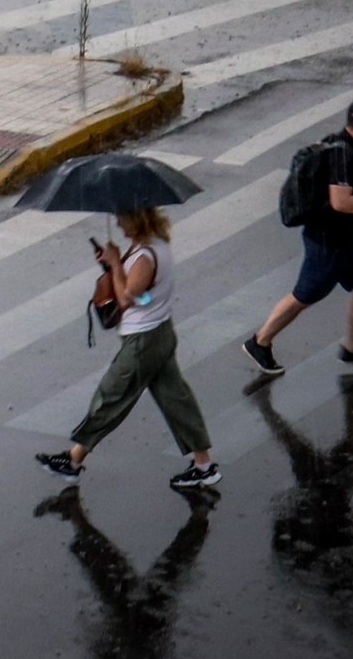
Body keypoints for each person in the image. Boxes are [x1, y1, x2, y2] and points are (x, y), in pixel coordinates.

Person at [36, 206, 220, 490]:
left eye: (122, 217)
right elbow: (143, 293)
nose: (118, 223)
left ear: (137, 218)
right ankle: (203, 465)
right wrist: (113, 265)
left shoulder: (146, 256)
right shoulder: (156, 244)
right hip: (159, 332)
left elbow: (126, 299)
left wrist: (115, 263)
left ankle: (72, 462)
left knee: (110, 396)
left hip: (143, 341)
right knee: (175, 398)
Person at [242, 96, 353, 374]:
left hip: (345, 240)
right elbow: (341, 202)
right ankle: (260, 341)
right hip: (329, 243)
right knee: (303, 296)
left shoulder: (342, 143)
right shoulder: (344, 156)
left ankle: (352, 346)